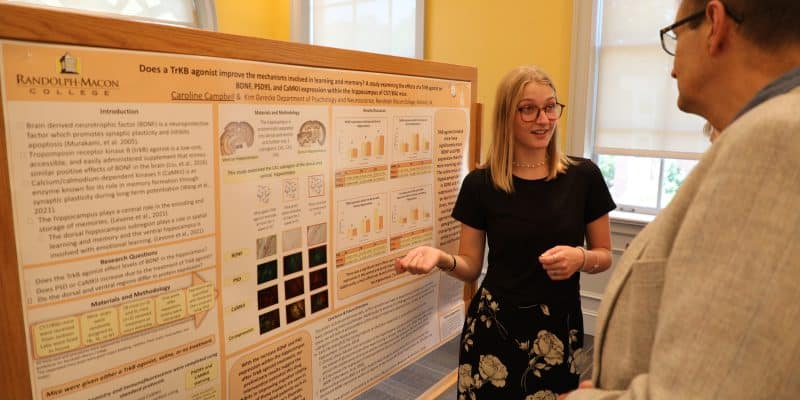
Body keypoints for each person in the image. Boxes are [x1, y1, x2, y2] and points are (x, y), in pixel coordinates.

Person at [563, 0, 800, 399]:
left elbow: (714, 387)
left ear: (714, 25)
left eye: (674, 37)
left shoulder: (775, 139)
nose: (672, 68)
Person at [394, 65, 616, 398]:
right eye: (528, 109)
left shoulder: (584, 176)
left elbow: (605, 255)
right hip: (493, 327)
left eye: (550, 107)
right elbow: (471, 266)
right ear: (506, 116)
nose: (543, 119)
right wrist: (441, 258)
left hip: (556, 332)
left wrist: (580, 258)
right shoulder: (480, 184)